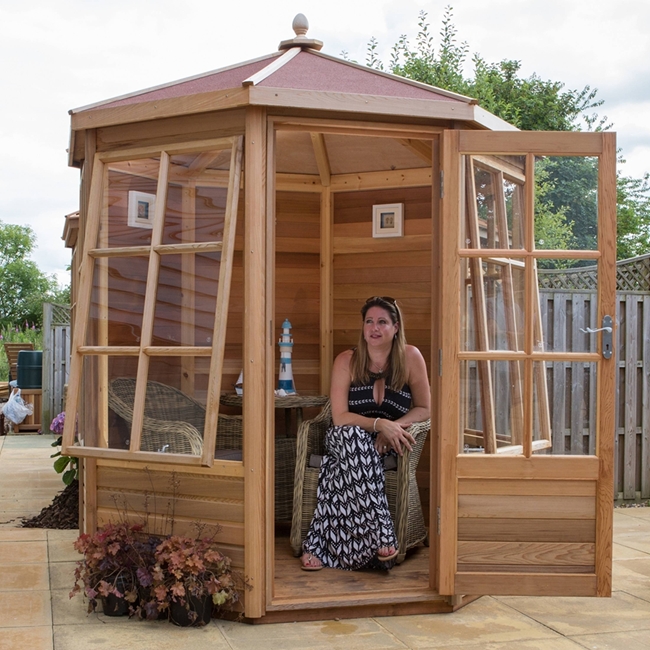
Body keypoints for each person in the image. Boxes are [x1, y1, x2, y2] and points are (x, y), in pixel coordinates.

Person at [300, 296, 431, 571]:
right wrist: (379, 424)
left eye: (382, 322)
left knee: (336, 471)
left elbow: (425, 408)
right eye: (369, 321)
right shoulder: (346, 360)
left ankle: (316, 546)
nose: (374, 328)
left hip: (386, 443)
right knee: (353, 438)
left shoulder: (410, 357)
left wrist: (394, 427)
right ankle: (382, 532)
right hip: (344, 438)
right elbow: (340, 417)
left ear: (396, 327)